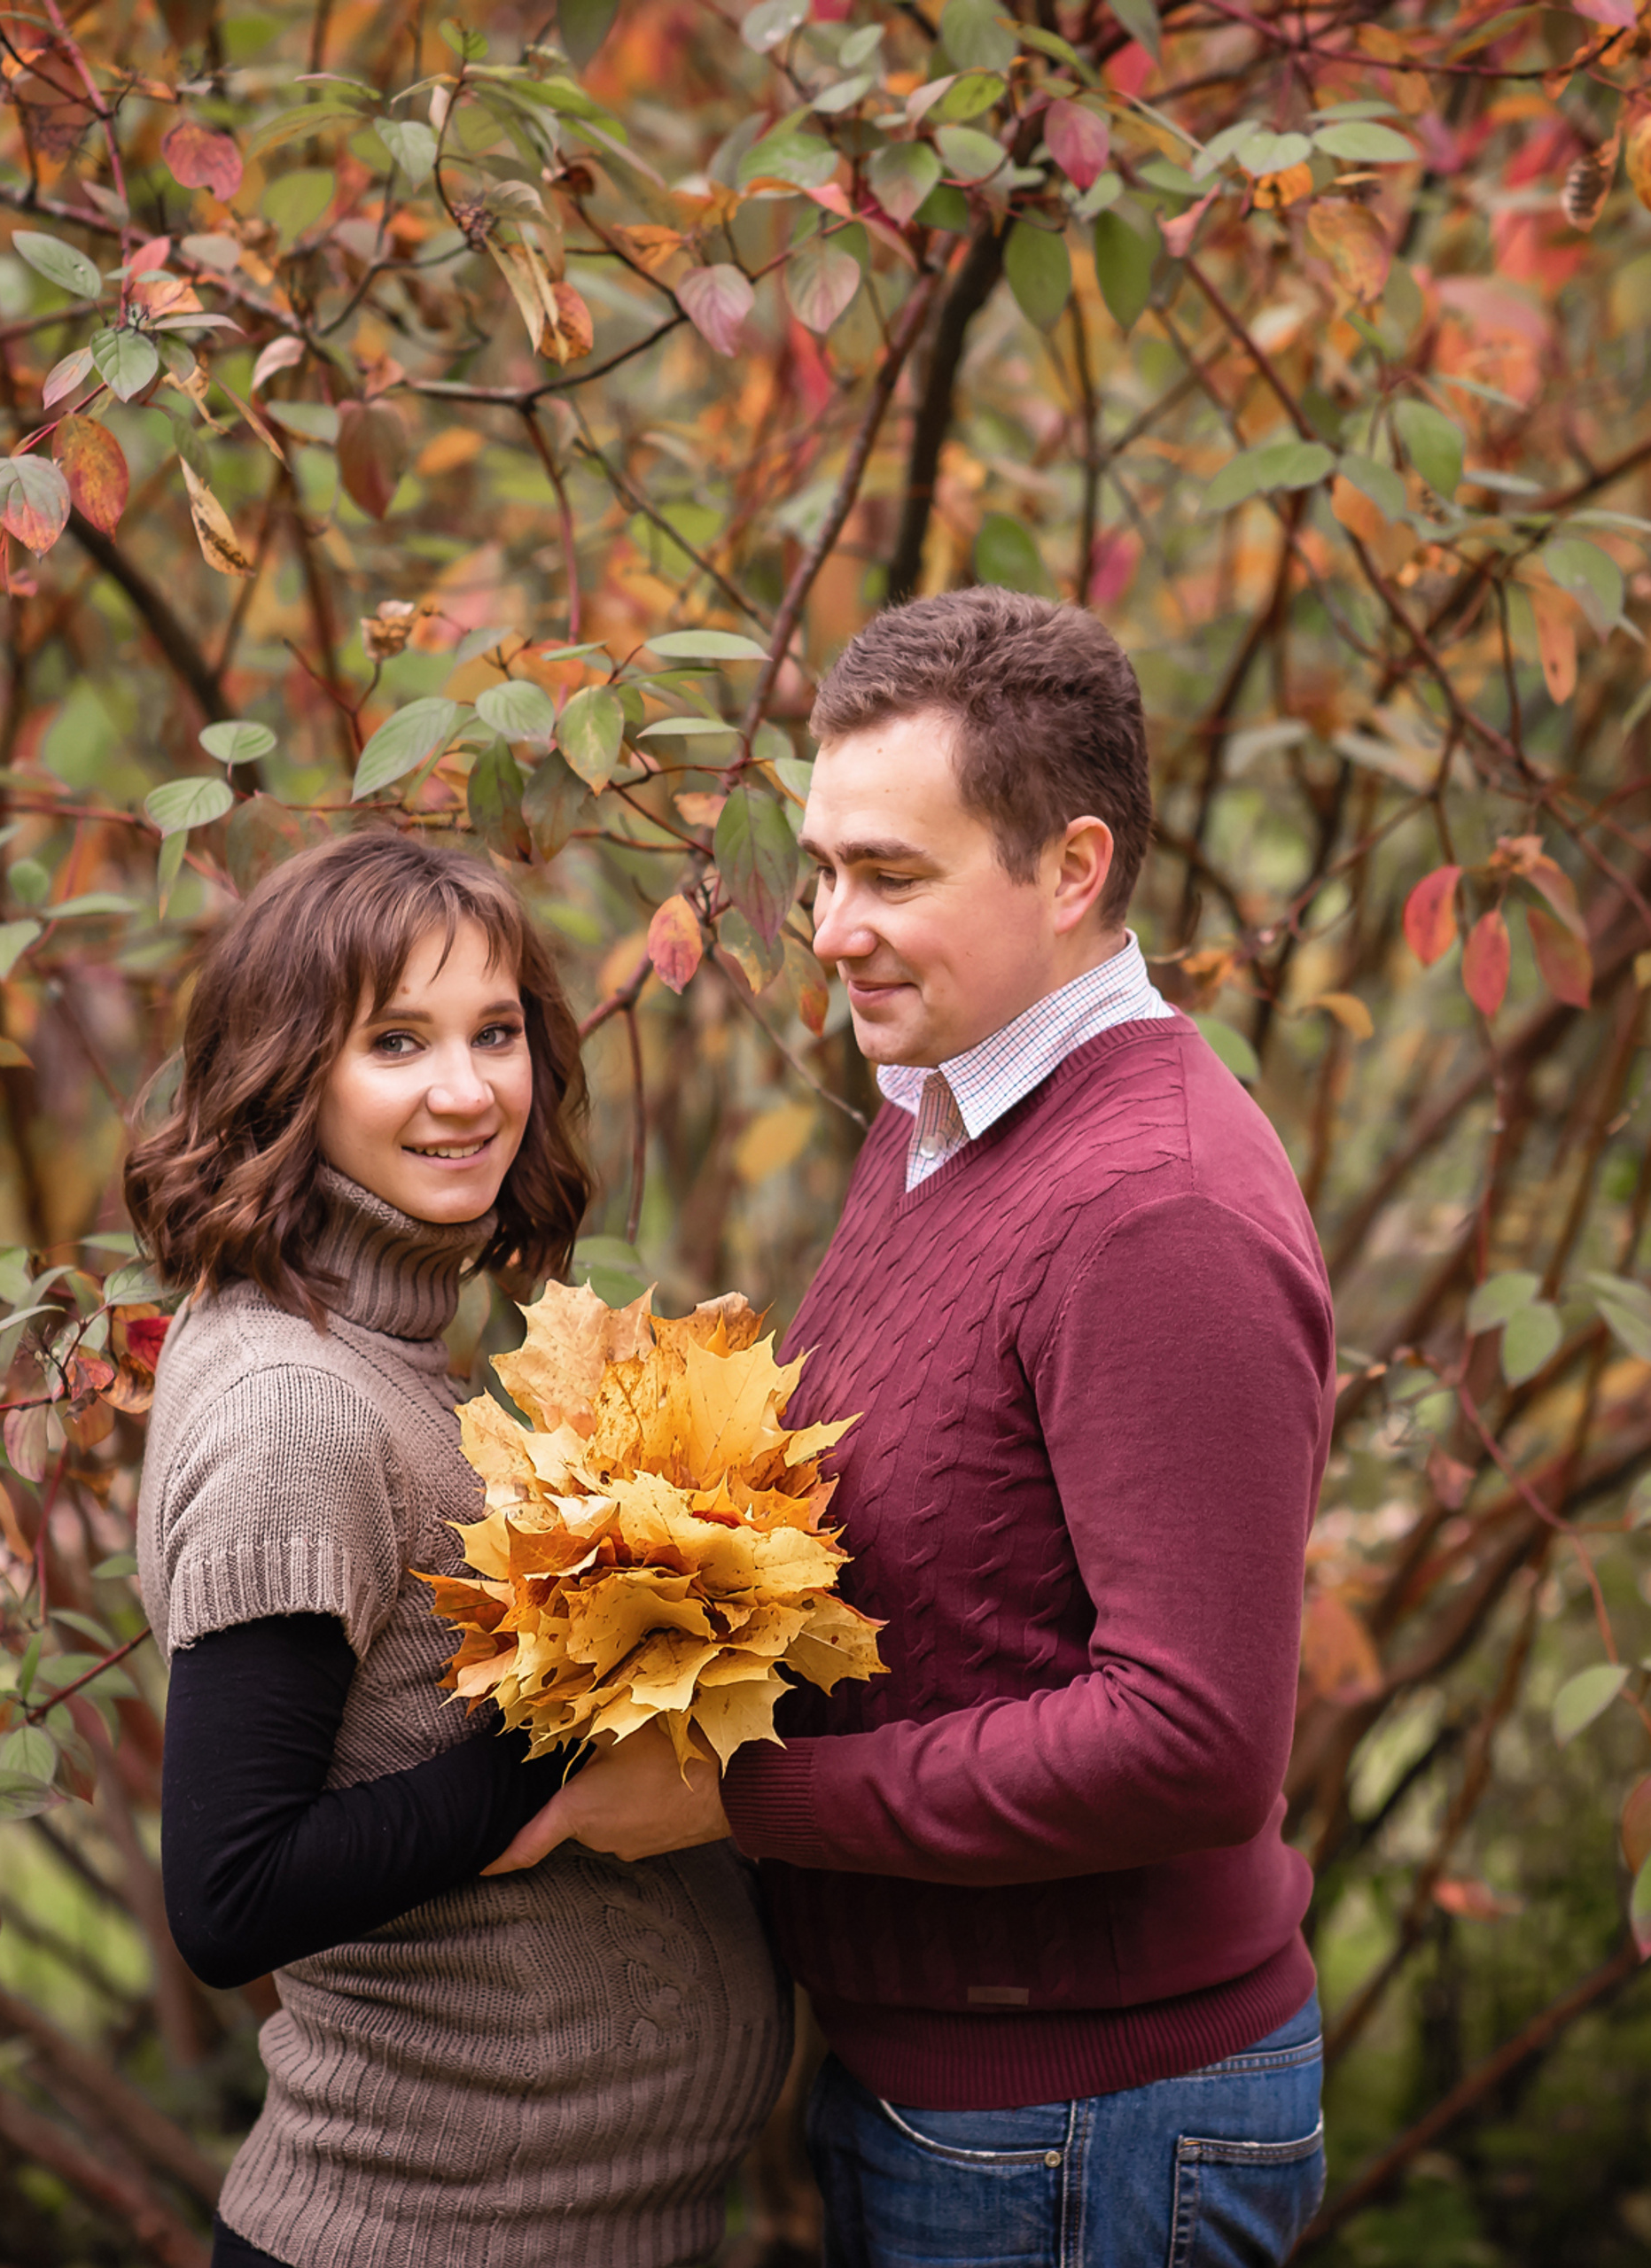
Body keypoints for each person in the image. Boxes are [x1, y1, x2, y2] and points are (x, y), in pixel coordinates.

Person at [493, 590, 1335, 2266]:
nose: (827, 926)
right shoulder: (945, 1110)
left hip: (1088, 2130)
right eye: (821, 869)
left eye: (891, 875)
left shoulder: (1155, 1209)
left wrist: (747, 1795)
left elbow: (1194, 1742)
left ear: (1073, 870)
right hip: (948, 2099)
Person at [125, 830, 790, 2268]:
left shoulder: (377, 1356)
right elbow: (232, 1894)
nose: (467, 1090)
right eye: (397, 1042)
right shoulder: (298, 1408)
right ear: (285, 1071)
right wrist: (597, 1727)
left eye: (497, 1032)